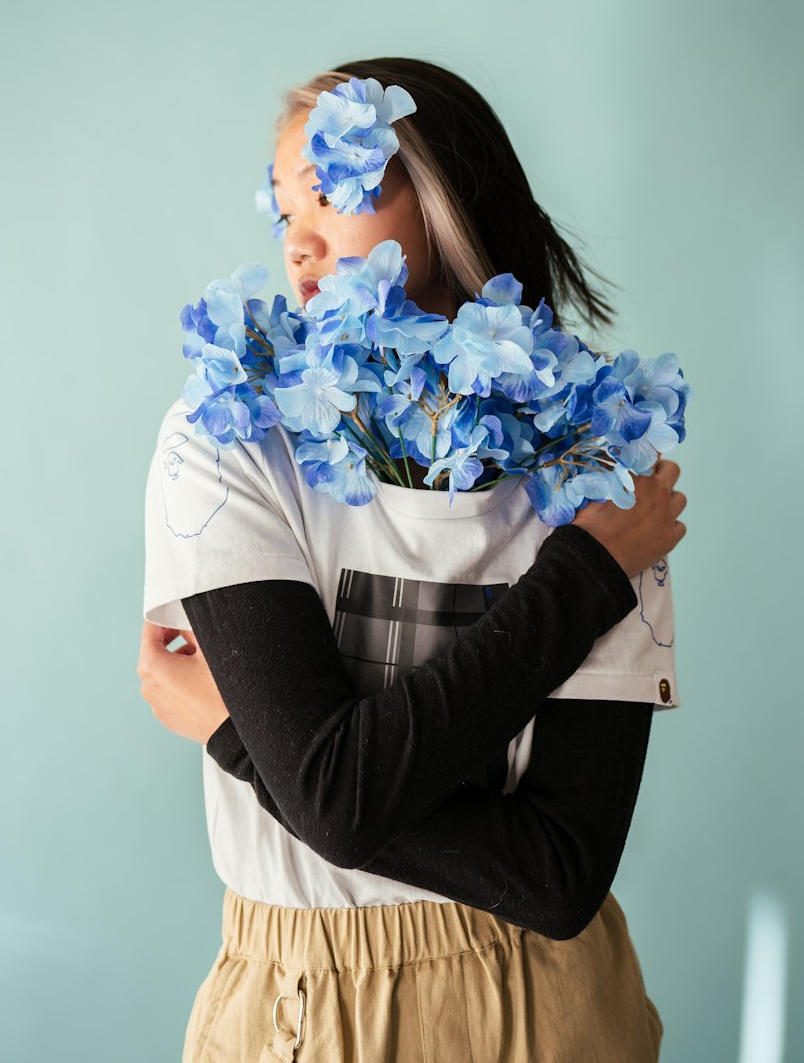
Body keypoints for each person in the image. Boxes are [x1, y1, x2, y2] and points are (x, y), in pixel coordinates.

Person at [139, 56, 688, 1062]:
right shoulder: (226, 437)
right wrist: (581, 582)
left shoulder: (593, 464)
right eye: (281, 209)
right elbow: (331, 798)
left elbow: (559, 876)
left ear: (443, 199)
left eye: (335, 190)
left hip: (552, 1005)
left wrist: (232, 730)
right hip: (303, 1003)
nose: (298, 241)